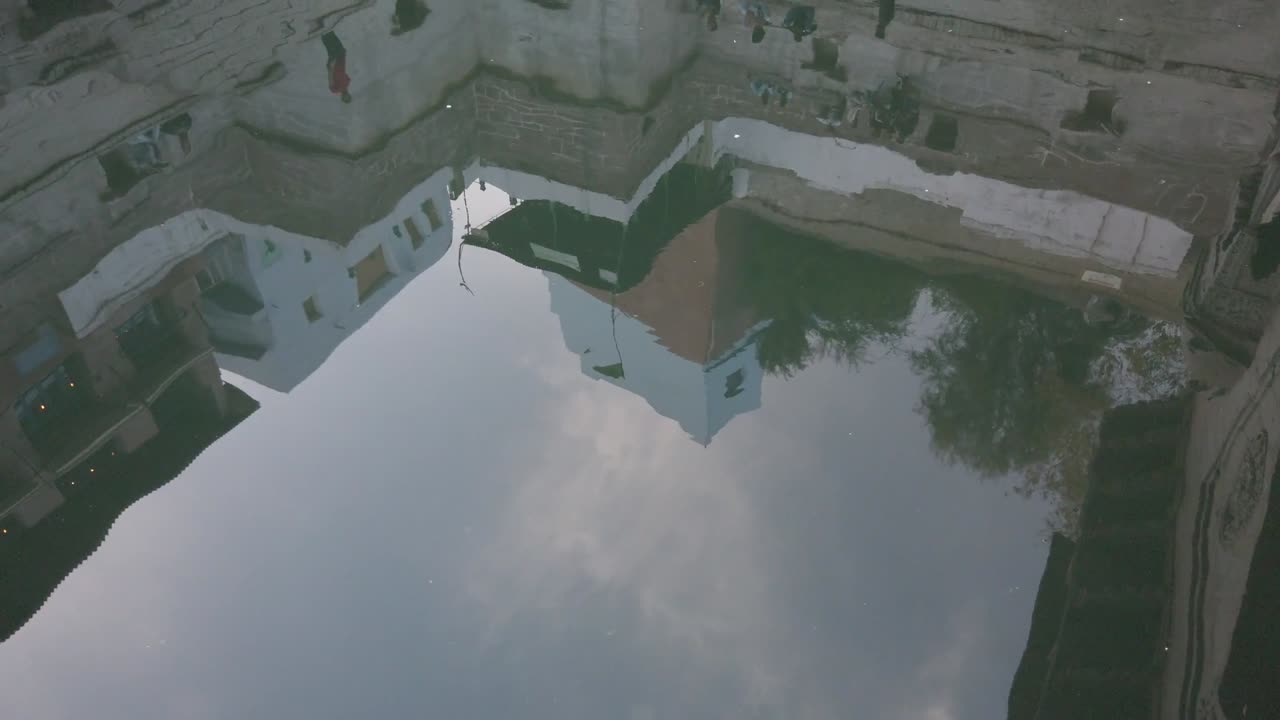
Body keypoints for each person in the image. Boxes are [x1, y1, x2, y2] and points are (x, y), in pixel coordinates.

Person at [322, 31, 352, 103]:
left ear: (342, 98)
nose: (346, 96)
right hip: (341, 59)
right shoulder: (347, 82)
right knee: (338, 46)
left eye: (345, 98)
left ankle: (324, 34)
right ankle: (329, 31)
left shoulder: (335, 90)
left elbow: (330, 78)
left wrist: (331, 66)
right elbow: (343, 73)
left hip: (334, 64)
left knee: (331, 47)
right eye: (348, 97)